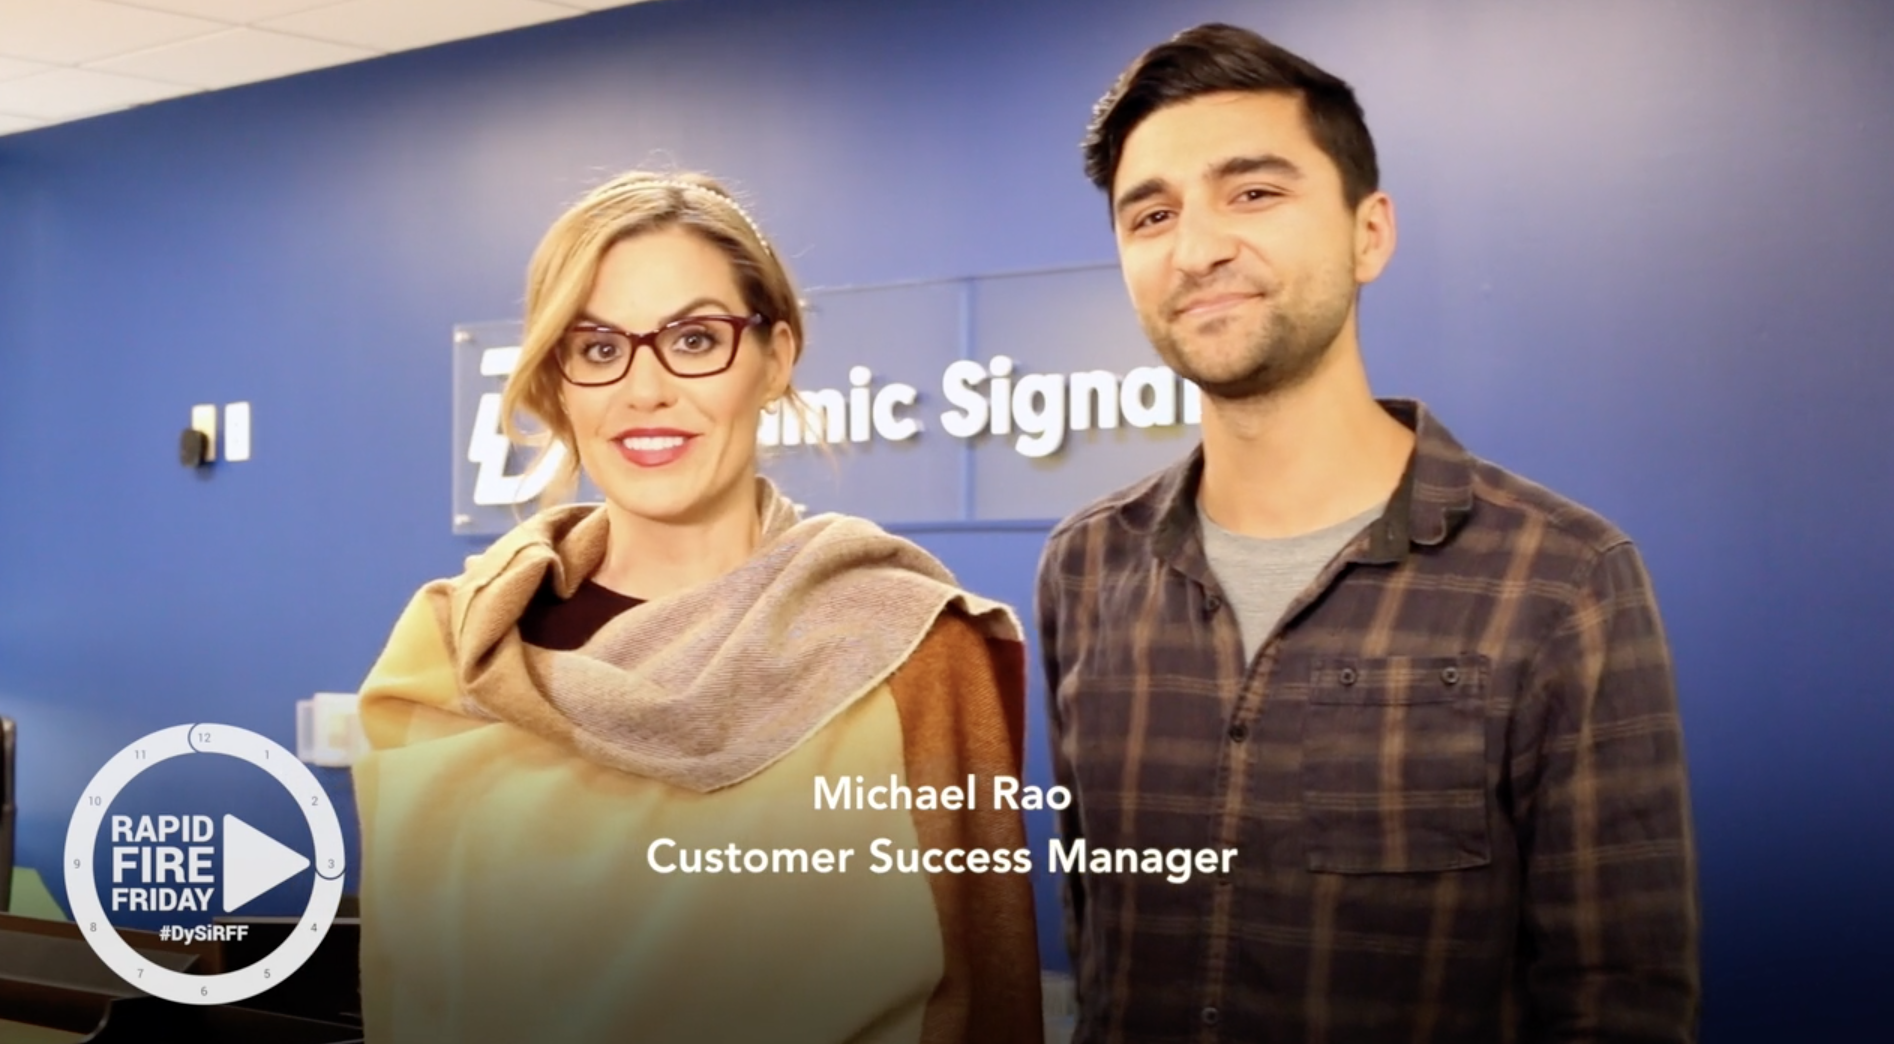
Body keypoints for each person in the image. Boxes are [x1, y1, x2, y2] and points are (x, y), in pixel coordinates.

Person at [1036, 24, 1698, 1043]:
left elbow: (1622, 998)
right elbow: (1098, 942)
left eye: (1254, 193)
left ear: (1368, 234)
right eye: (1152, 215)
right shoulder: (1085, 566)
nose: (1197, 249)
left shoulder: (1562, 579)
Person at [353, 170, 1041, 1043]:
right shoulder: (452, 649)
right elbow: (411, 988)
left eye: (694, 338)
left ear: (776, 357)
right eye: (597, 348)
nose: (645, 389)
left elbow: (987, 991)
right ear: (559, 379)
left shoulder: (912, 647)